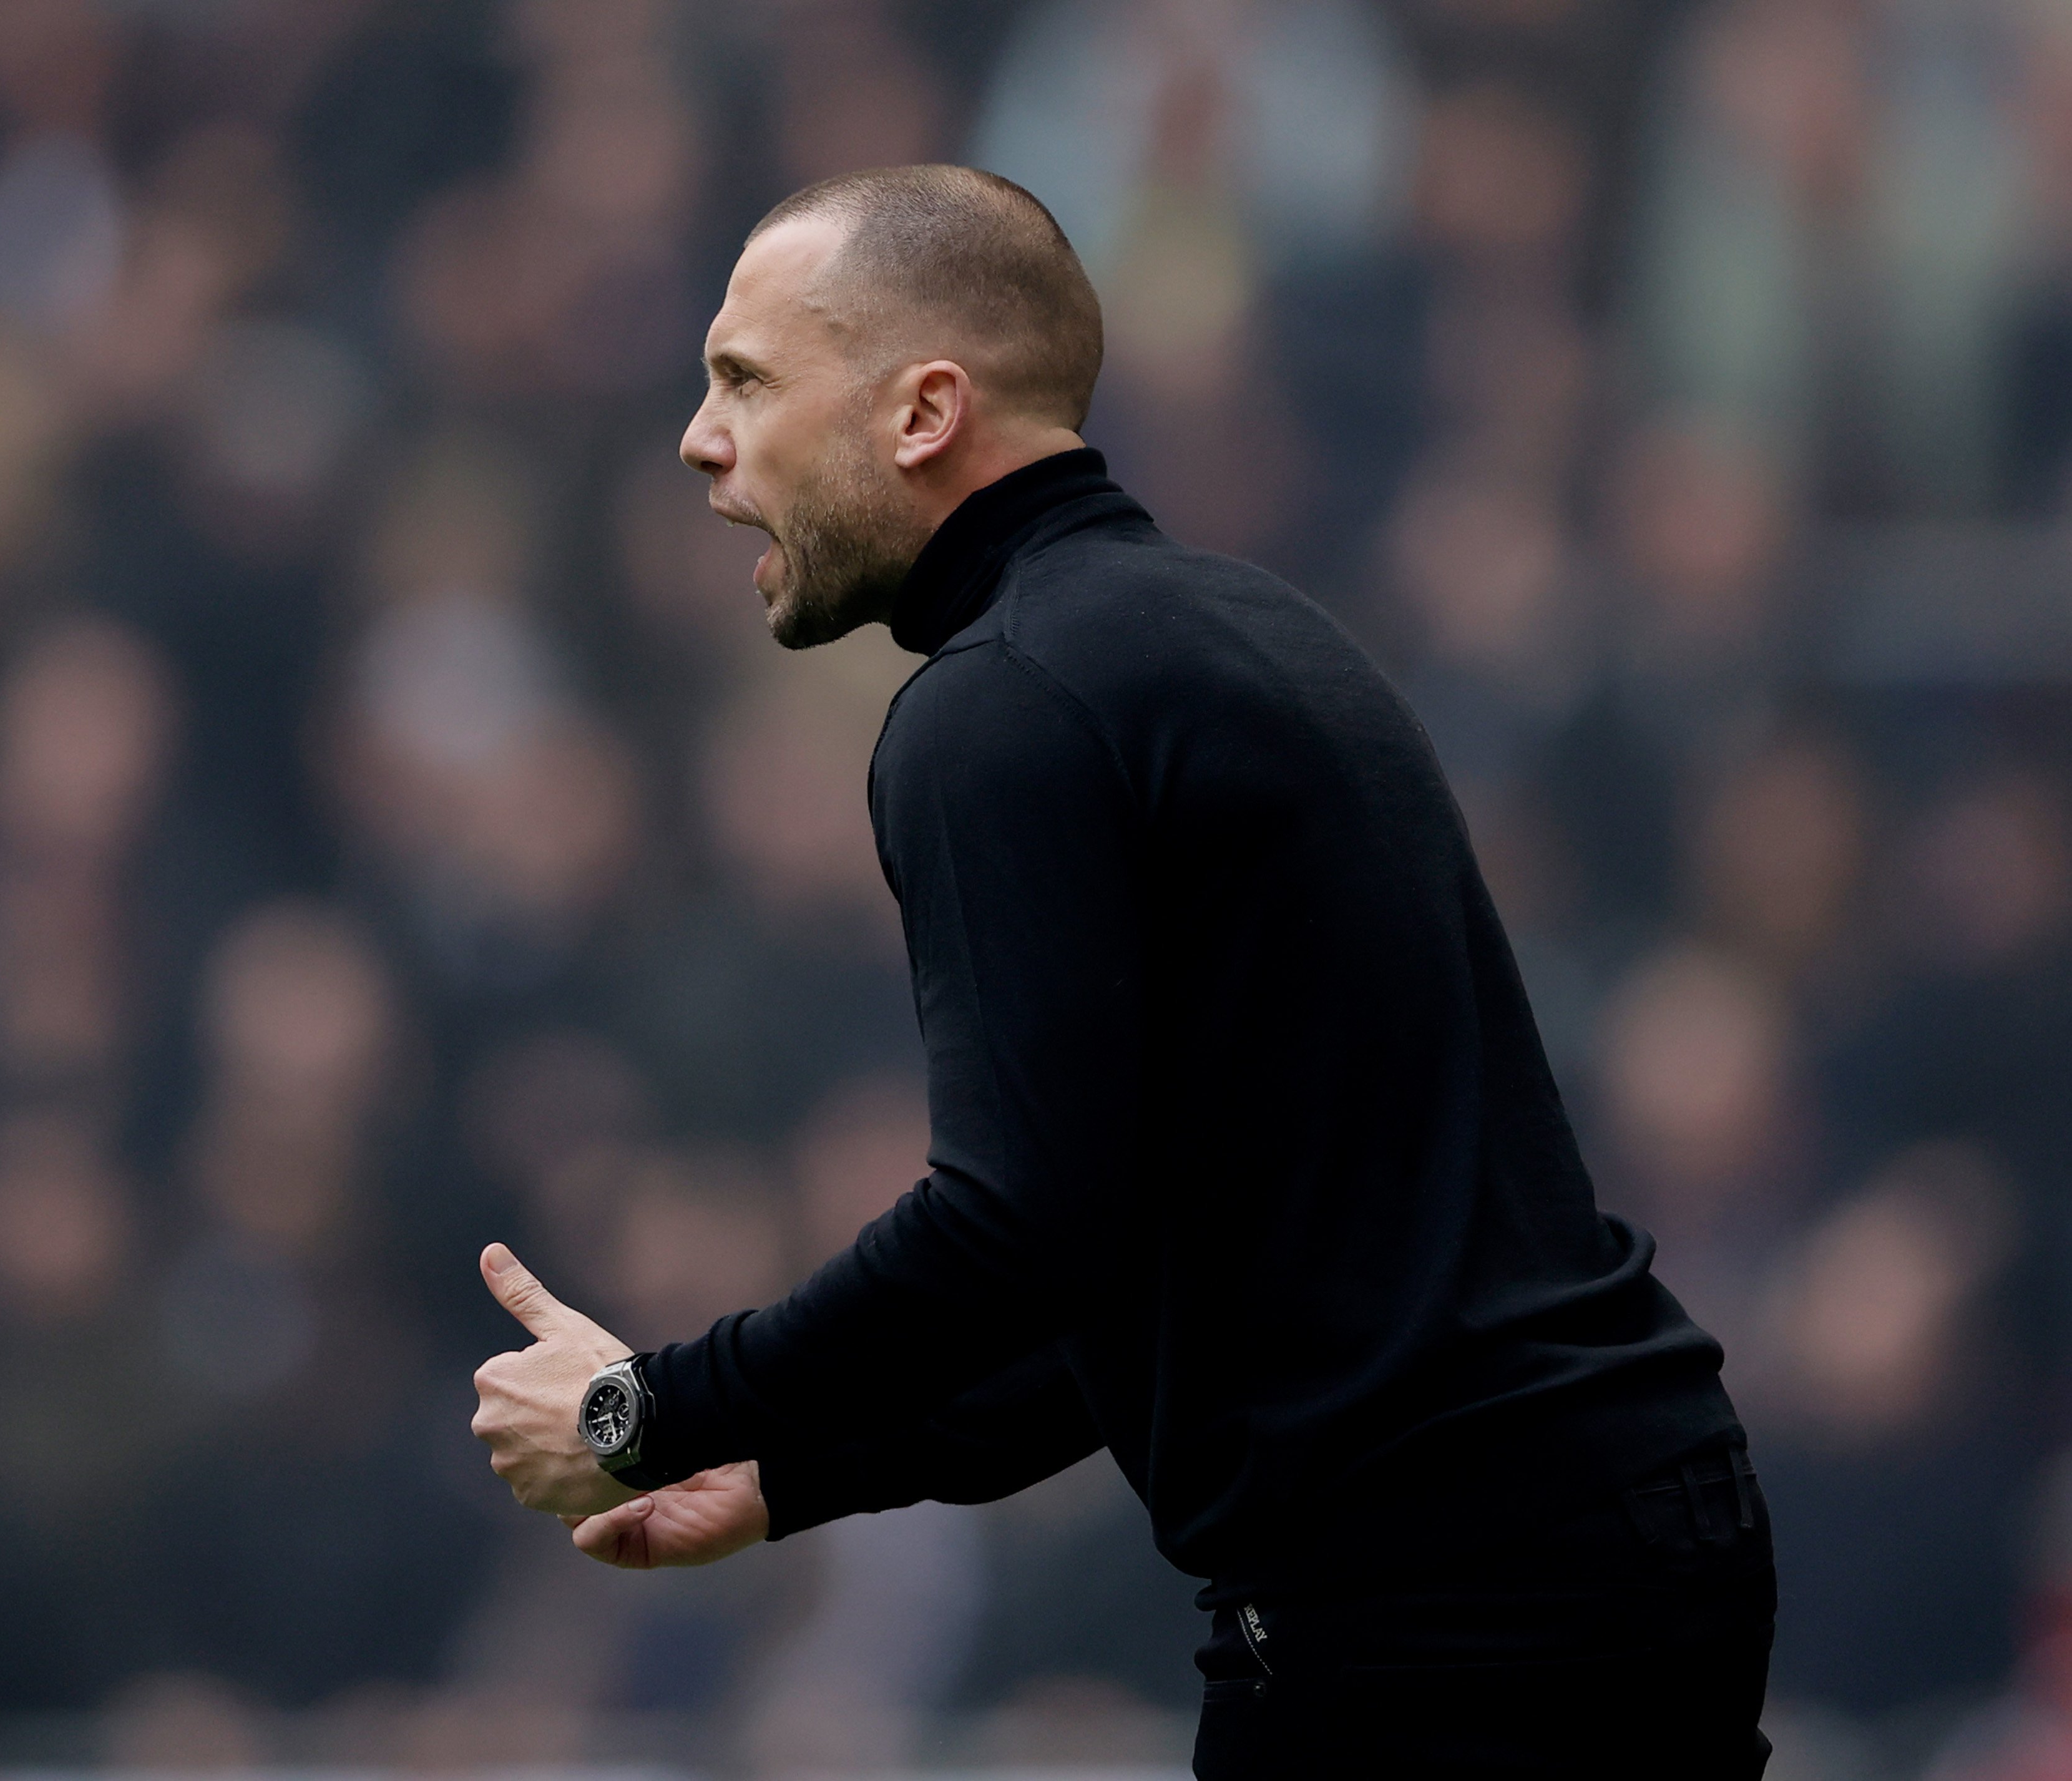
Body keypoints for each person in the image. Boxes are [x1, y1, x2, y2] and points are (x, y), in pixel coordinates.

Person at [469, 165, 1776, 1779]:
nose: (699, 437)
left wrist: (646, 1410)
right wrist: (797, 1472)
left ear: (922, 410)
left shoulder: (996, 707)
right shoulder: (1248, 636)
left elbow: (1013, 1228)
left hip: (1433, 1601)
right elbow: (1134, 1255)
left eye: (744, 379)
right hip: (1617, 1532)